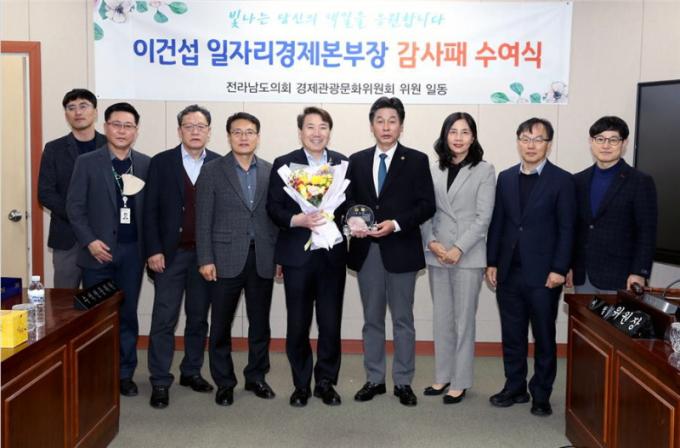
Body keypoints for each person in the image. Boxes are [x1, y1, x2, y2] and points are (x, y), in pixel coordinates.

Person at [346, 97, 436, 407]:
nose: (386, 127)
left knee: (403, 320)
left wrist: (396, 224)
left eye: (392, 121)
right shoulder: (356, 160)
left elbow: (427, 205)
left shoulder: (417, 160)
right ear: (372, 125)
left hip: (401, 249)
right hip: (367, 250)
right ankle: (374, 379)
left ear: (401, 125)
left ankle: (403, 381)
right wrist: (354, 221)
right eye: (380, 121)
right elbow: (348, 202)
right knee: (372, 319)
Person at [486, 117, 576, 417]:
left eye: (538, 139)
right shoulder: (506, 178)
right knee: (512, 335)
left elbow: (567, 229)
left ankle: (541, 394)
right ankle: (515, 387)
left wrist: (560, 268)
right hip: (509, 271)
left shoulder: (562, 180)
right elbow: (498, 223)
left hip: (544, 275)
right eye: (525, 138)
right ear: (518, 142)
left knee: (544, 337)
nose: (531, 145)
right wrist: (492, 262)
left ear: (548, 144)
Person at [67, 102, 150, 397]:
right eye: (116, 124)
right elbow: (74, 208)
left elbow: (150, 211)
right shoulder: (87, 162)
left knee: (127, 314)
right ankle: (97, 375)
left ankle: (124, 374)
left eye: (128, 126)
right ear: (105, 127)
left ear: (136, 131)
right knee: (97, 317)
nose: (122, 131)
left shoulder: (145, 164)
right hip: (97, 255)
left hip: (132, 254)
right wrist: (90, 241)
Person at [267, 107, 347, 407]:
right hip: (297, 257)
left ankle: (325, 382)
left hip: (331, 256)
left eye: (323, 127)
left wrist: (353, 220)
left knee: (330, 323)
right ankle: (301, 384)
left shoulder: (342, 163)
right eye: (310, 127)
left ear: (329, 132)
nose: (317, 133)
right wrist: (297, 220)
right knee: (298, 323)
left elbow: (350, 204)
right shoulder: (284, 164)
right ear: (301, 131)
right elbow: (273, 207)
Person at [196, 112, 278, 407]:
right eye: (238, 132)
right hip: (224, 259)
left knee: (260, 324)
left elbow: (275, 219)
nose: (244, 137)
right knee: (220, 325)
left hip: (262, 258)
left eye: (250, 132)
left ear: (258, 136)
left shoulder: (270, 171)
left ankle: (256, 376)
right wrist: (205, 258)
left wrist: (279, 257)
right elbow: (203, 219)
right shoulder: (212, 170)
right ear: (229, 136)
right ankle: (225, 382)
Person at [144, 105, 220, 409]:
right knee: (164, 318)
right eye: (189, 126)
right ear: (179, 131)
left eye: (201, 126)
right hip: (170, 255)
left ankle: (191, 371)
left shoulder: (218, 164)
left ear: (209, 131)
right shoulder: (162, 162)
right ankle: (160, 379)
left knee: (198, 318)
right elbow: (149, 210)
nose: (195, 131)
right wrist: (153, 250)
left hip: (204, 256)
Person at [421, 112, 495, 404]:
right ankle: (442, 375)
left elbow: (483, 217)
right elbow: (425, 211)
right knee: (442, 319)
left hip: (468, 255)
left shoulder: (484, 170)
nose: (459, 138)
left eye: (465, 132)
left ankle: (460, 381)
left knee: (464, 321)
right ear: (445, 135)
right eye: (453, 131)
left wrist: (458, 248)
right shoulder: (433, 169)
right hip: (437, 253)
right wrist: (432, 242)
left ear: (473, 137)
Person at [567, 116, 657, 293]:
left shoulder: (640, 181)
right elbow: (573, 228)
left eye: (613, 140)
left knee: (617, 314)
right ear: (591, 142)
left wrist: (639, 272)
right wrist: (568, 265)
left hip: (622, 277)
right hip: (583, 275)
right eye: (600, 139)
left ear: (624, 143)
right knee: (583, 314)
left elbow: (647, 232)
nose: (605, 145)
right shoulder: (578, 181)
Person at [38, 88, 107, 288]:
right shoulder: (54, 148)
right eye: (71, 107)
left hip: (102, 236)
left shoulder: (110, 145)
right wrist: (78, 217)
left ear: (95, 112)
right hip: (67, 236)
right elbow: (45, 193)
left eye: (83, 106)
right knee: (64, 299)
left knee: (101, 298)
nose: (78, 112)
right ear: (66, 114)